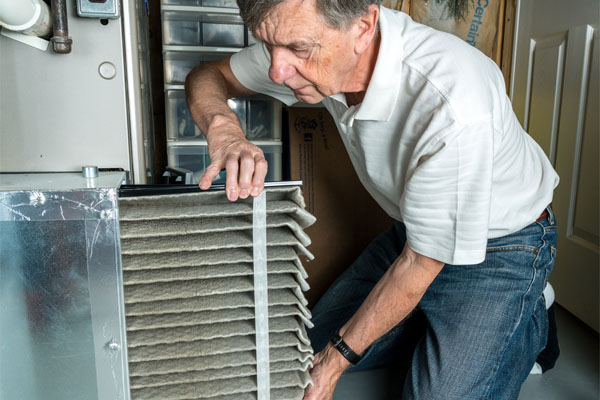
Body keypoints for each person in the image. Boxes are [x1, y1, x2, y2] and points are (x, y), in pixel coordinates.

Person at [185, 1, 560, 398]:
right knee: (297, 355)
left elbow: (421, 263)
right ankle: (437, 322)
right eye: (268, 45)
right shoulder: (304, 42)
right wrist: (224, 127)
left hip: (502, 245)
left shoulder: (453, 100)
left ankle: (530, 313)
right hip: (415, 235)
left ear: (363, 27)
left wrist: (334, 362)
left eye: (298, 49)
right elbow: (207, 75)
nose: (278, 70)